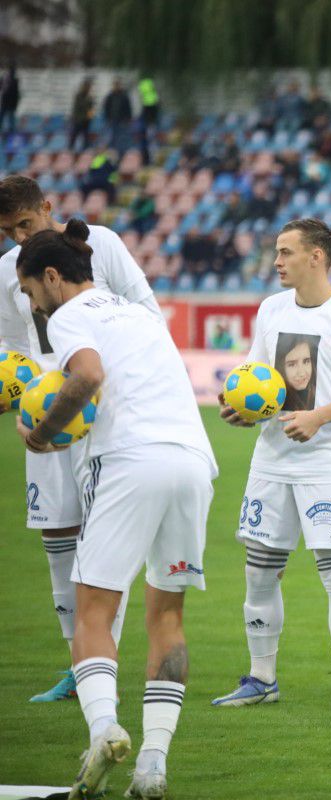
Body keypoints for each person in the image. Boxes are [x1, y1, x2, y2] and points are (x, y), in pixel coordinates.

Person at [15, 220, 217, 798]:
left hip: (129, 459)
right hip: (192, 462)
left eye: (31, 291)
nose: (33, 303)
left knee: (93, 612)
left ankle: (103, 728)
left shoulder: (72, 315)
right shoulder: (141, 313)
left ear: (53, 278)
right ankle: (153, 762)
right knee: (167, 616)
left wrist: (44, 432)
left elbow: (89, 376)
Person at [211, 219, 331, 715]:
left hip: (327, 464)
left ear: (317, 256)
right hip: (270, 462)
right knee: (259, 574)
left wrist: (319, 416)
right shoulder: (270, 309)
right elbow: (257, 381)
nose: (277, 261)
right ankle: (261, 677)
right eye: (276, 251)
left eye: (286, 252)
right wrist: (242, 411)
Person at [0, 175, 162, 704]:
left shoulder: (101, 243)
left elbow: (146, 310)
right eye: (7, 231)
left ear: (46, 207)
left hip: (103, 412)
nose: (18, 238)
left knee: (100, 540)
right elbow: (10, 348)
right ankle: (78, 666)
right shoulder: (7, 271)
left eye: (25, 224)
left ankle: (101, 663)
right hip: (45, 412)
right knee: (57, 540)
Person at [69, 78, 95, 152]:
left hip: (86, 121)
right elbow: (76, 108)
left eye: (89, 87)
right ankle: (70, 149)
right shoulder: (78, 96)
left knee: (86, 136)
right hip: (78, 120)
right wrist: (76, 118)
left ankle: (85, 150)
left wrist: (90, 118)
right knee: (74, 135)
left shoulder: (90, 98)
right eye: (86, 86)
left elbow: (91, 109)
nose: (88, 88)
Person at [0, 63, 19, 135]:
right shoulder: (4, 79)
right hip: (6, 101)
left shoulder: (15, 80)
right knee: (4, 116)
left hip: (10, 102)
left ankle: (12, 130)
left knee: (11, 117)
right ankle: (9, 129)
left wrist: (16, 103)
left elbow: (16, 93)